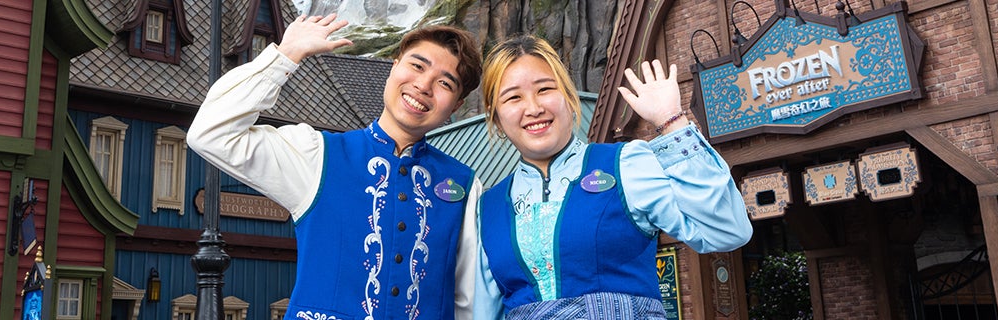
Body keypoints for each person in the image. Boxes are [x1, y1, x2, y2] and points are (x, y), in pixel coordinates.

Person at [187, 14, 486, 320]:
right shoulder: (315, 155)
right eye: (417, 66)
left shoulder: (465, 186)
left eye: (445, 83)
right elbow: (211, 133)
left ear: (457, 105)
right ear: (394, 66)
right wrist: (285, 55)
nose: (424, 85)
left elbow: (469, 303)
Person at [471, 35, 752, 319]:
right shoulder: (486, 208)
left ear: (569, 97)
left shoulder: (625, 164)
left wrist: (671, 121)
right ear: (496, 117)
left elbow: (727, 231)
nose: (533, 108)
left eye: (544, 89)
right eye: (513, 97)